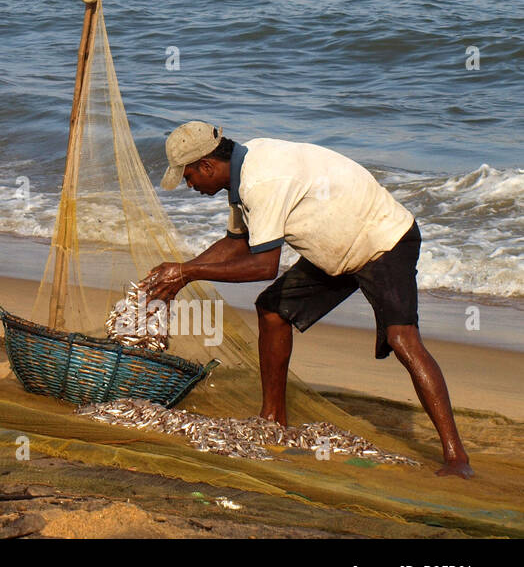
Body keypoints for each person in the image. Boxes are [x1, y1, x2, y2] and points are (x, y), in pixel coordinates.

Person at [143, 121, 473, 478]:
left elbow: (264, 265)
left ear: (207, 165)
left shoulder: (260, 180)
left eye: (190, 177)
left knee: (401, 338)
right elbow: (235, 243)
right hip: (337, 251)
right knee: (272, 310)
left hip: (383, 240)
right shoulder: (241, 175)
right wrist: (180, 270)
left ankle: (457, 457)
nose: (191, 186)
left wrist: (188, 273)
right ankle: (273, 419)